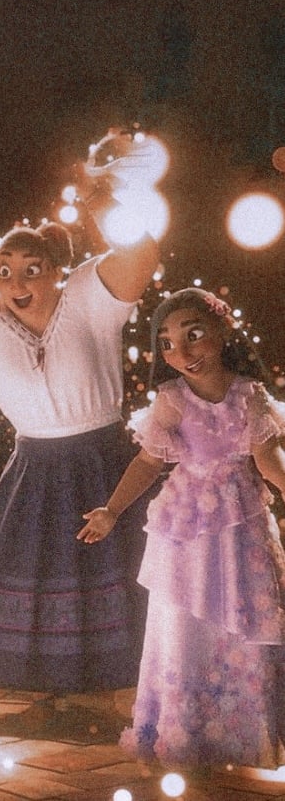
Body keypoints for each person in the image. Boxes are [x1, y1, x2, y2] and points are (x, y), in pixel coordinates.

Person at [0, 139, 159, 694]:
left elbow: (142, 255)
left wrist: (96, 199)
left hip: (103, 460)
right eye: (4, 272)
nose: (16, 284)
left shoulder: (90, 295)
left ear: (56, 271)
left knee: (118, 575)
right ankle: (56, 689)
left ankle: (123, 691)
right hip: (34, 466)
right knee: (42, 575)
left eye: (31, 270)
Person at [79, 287, 285, 768]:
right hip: (186, 525)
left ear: (223, 330)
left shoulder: (249, 395)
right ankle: (186, 730)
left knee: (248, 611)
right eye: (168, 343)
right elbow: (148, 462)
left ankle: (242, 729)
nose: (182, 352)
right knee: (182, 619)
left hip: (241, 525)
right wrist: (112, 510)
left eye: (193, 334)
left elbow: (268, 458)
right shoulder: (172, 399)